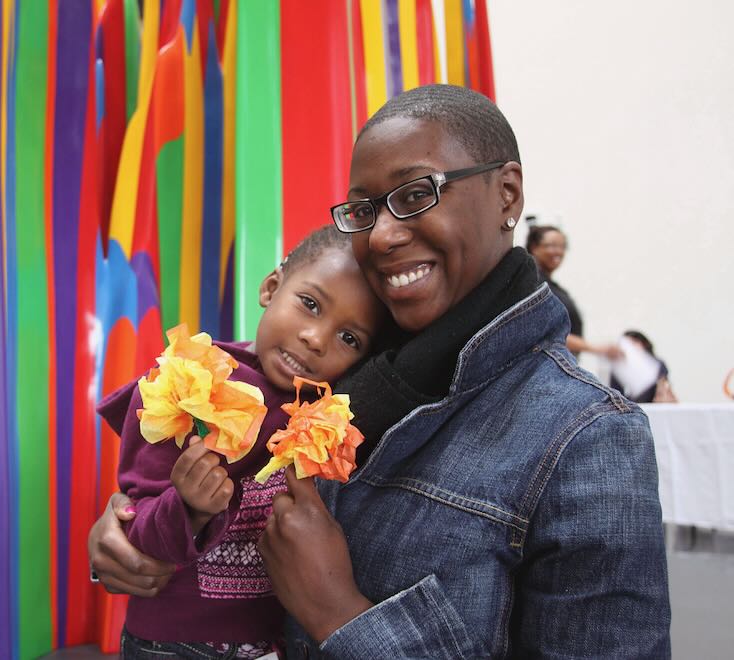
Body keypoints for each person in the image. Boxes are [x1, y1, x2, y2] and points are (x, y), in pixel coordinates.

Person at [89, 84, 671, 658]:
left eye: (417, 193)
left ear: (507, 194)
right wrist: (131, 530)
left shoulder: (586, 436)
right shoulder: (332, 376)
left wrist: (337, 614)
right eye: (365, 210)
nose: (384, 235)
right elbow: (203, 487)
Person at [97, 225, 387, 659]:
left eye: (349, 338)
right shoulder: (185, 386)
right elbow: (133, 540)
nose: (315, 338)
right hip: (172, 644)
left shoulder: (332, 419)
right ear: (271, 287)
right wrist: (190, 507)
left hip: (275, 643)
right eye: (310, 304)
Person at [525, 225, 623, 361]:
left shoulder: (550, 285)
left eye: (562, 246)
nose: (558, 251)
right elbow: (544, 329)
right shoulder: (534, 283)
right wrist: (596, 348)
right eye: (552, 246)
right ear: (534, 247)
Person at [610, 329, 678, 403]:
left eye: (633, 343)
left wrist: (663, 394)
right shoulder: (617, 369)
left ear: (644, 344)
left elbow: (663, 388)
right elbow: (615, 394)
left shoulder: (656, 365)